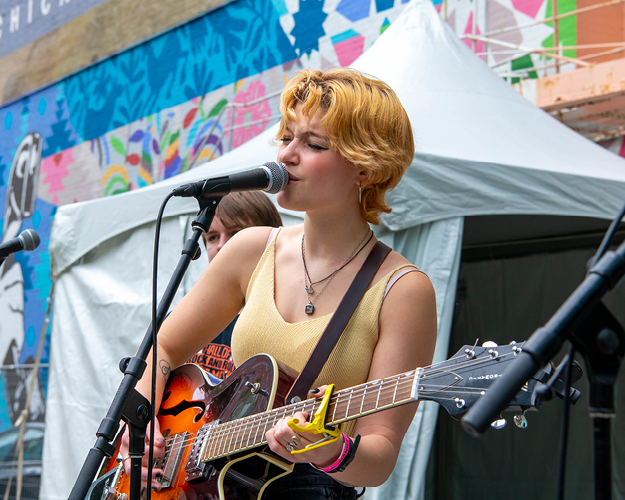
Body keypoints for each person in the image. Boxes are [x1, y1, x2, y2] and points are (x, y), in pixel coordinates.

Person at [120, 68, 437, 498]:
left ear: (365, 166)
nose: (285, 155)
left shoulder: (402, 290)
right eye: (287, 136)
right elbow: (164, 347)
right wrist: (140, 427)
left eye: (313, 144)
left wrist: (330, 450)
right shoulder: (251, 249)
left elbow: (380, 452)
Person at [187, 191, 282, 380]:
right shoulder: (185, 320)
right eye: (213, 237)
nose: (221, 246)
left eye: (235, 234)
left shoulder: (286, 319)